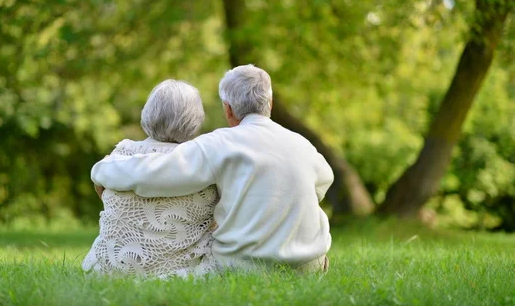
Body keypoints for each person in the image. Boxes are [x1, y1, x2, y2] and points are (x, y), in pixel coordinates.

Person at [92, 65, 334, 273]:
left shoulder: (219, 143)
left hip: (244, 266)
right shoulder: (304, 145)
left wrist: (102, 170)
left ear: (227, 109)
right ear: (269, 103)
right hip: (309, 264)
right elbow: (323, 181)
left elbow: (154, 173)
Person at [82, 80, 219, 278]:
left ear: (149, 112)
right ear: (195, 120)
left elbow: (108, 197)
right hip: (178, 272)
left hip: (107, 269)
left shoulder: (123, 152)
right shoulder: (202, 162)